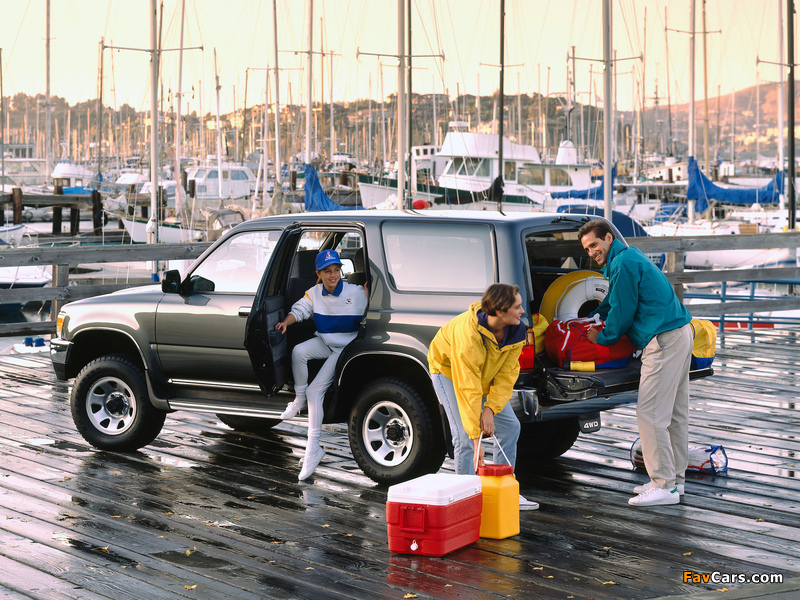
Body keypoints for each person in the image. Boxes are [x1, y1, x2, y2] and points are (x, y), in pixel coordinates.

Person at [578, 219, 693, 507]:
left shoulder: (623, 264)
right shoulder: (629, 256)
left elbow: (623, 310)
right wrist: (598, 312)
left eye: (594, 244)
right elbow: (617, 299)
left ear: (608, 238)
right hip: (680, 333)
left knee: (650, 413)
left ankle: (663, 485)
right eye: (587, 248)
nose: (591, 252)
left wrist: (601, 337)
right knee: (674, 415)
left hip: (663, 340)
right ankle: (675, 482)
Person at [428, 283, 539, 511]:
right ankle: (463, 500)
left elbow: (507, 375)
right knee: (465, 439)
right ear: (499, 311)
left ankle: (501, 491)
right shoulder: (467, 335)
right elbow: (467, 387)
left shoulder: (517, 331)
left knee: (509, 428)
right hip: (448, 371)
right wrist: (477, 438)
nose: (522, 311)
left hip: (485, 374)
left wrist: (489, 410)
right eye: (517, 307)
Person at [275, 249, 368, 481]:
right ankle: (298, 400)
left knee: (316, 390)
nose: (333, 275)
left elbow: (373, 304)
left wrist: (369, 293)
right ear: (319, 273)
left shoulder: (356, 292)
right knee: (298, 352)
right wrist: (286, 322)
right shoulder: (314, 293)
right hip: (326, 341)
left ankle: (313, 449)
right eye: (328, 271)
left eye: (336, 270)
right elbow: (299, 310)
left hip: (344, 346)